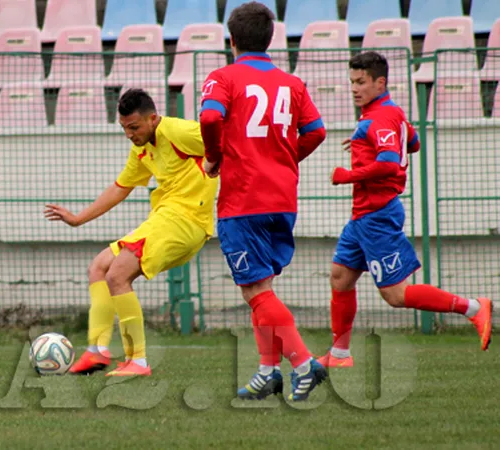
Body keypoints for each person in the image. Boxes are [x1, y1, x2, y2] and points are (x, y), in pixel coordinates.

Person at [318, 51, 493, 368]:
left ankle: (473, 308)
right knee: (340, 277)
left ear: (380, 82)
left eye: (361, 82)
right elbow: (412, 142)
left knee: (396, 296)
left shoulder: (380, 117)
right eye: (352, 82)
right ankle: (340, 354)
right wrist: (364, 140)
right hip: (363, 216)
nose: (355, 88)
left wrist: (348, 175)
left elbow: (387, 162)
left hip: (377, 214)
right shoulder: (387, 113)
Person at [199, 2, 328, 401]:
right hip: (282, 198)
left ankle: (304, 364)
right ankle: (267, 371)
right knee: (260, 285)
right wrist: (284, 157)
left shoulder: (224, 77)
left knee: (256, 290)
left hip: (244, 199)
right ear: (270, 40)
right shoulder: (293, 83)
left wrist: (215, 157)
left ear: (232, 40)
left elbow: (209, 118)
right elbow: (317, 131)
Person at [44, 89, 218, 377]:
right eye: (124, 128)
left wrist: (219, 164)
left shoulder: (178, 131)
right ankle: (97, 351)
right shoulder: (141, 147)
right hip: (165, 219)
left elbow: (226, 141)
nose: (129, 134)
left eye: (134, 127)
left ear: (152, 118)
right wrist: (78, 219)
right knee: (99, 267)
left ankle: (137, 361)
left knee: (117, 275)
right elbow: (120, 187)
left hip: (186, 221)